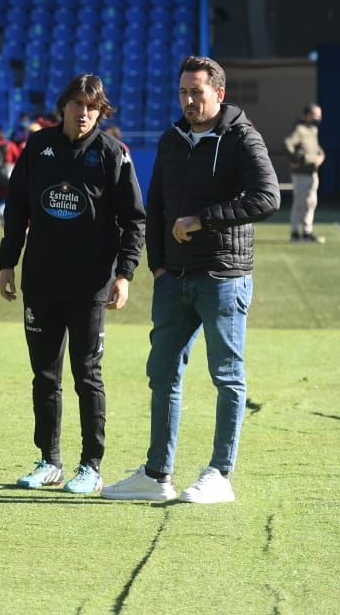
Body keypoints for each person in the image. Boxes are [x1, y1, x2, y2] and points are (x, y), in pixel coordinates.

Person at [103, 56, 278, 504]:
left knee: (227, 376)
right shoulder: (171, 139)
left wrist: (204, 219)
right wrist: (158, 264)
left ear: (219, 93)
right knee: (162, 374)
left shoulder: (243, 138)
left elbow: (267, 197)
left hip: (223, 276)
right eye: (183, 92)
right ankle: (156, 474)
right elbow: (155, 205)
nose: (188, 100)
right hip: (173, 278)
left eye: (196, 92)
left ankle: (220, 473)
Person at [0, 74, 145, 495]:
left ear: (102, 112)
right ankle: (49, 461)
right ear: (63, 106)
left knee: (86, 374)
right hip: (41, 281)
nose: (84, 113)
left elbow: (134, 219)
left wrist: (125, 274)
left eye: (93, 107)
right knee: (44, 376)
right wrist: (8, 263)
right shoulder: (38, 148)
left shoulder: (112, 154)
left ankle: (91, 466)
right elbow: (17, 209)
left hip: (90, 285)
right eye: (78, 105)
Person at [283, 104, 325, 243]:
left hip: (313, 173)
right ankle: (295, 233)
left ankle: (307, 232)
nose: (319, 117)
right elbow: (288, 143)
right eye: (316, 114)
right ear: (308, 115)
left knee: (311, 203)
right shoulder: (299, 130)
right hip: (301, 174)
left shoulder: (313, 130)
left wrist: (321, 156)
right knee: (300, 204)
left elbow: (316, 148)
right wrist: (295, 160)